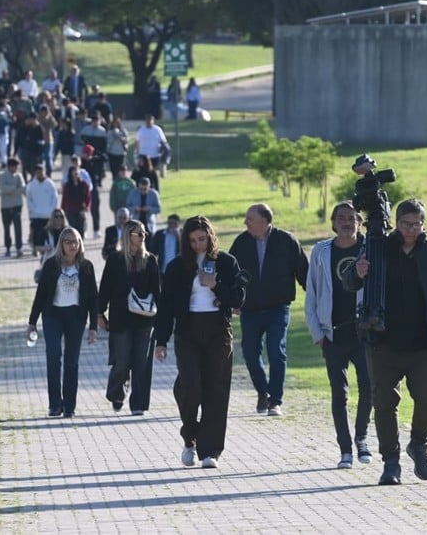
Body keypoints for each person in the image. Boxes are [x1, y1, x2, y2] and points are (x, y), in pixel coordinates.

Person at [343, 198, 427, 486]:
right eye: (405, 224)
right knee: (385, 403)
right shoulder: (378, 248)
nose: (410, 229)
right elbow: (350, 283)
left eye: (416, 224)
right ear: (395, 223)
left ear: (424, 224)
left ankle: (419, 444)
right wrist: (357, 272)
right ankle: (391, 462)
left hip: (421, 345)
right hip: (383, 342)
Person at [154, 216, 247, 469]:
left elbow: (238, 299)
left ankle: (210, 451)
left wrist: (215, 285)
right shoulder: (176, 267)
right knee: (190, 387)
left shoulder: (226, 263)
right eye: (193, 240)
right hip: (187, 331)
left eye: (202, 239)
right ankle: (189, 438)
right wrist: (160, 341)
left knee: (216, 390)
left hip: (218, 330)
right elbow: (165, 307)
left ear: (210, 237)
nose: (198, 245)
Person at [304, 201, 372, 469]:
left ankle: (362, 439)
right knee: (338, 393)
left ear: (359, 222)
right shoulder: (321, 252)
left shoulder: (371, 249)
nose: (346, 222)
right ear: (333, 223)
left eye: (352, 217)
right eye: (341, 218)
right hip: (333, 334)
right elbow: (312, 294)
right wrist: (318, 333)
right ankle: (345, 449)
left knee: (368, 388)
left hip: (364, 332)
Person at [229, 203, 308, 416]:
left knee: (276, 352)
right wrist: (232, 300)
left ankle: (275, 400)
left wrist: (317, 300)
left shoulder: (287, 241)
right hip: (250, 310)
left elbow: (304, 272)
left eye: (250, 219)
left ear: (264, 221)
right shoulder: (241, 242)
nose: (246, 222)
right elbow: (229, 274)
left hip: (278, 309)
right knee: (250, 354)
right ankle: (262, 391)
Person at [27, 227, 99, 418]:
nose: (72, 245)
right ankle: (54, 404)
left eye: (75, 241)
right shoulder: (51, 265)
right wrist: (32, 322)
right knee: (53, 356)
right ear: (61, 244)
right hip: (53, 316)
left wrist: (93, 327)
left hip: (75, 316)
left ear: (80, 244)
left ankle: (69, 405)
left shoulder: (86, 267)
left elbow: (93, 298)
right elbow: (41, 295)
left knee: (71, 361)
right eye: (67, 241)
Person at [98, 220, 161, 416]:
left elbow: (158, 291)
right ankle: (117, 393)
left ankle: (138, 404)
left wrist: (162, 319)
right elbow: (105, 288)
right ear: (128, 236)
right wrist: (99, 313)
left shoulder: (150, 260)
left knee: (141, 363)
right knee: (122, 361)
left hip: (144, 319)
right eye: (138, 234)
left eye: (144, 234)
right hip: (120, 318)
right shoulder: (115, 260)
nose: (143, 237)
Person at [26, 165, 58, 257]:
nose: (39, 174)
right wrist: (33, 210)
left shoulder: (50, 184)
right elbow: (29, 199)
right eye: (37, 172)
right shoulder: (31, 185)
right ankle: (35, 249)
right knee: (36, 233)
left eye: (41, 171)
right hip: (36, 215)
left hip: (48, 214)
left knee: (47, 233)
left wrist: (52, 210)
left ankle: (46, 249)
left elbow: (54, 198)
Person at [0, 157, 26, 258]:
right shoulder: (2, 176)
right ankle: (8, 247)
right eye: (15, 166)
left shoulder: (19, 176)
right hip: (5, 205)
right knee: (7, 228)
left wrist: (11, 190)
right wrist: (14, 188)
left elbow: (23, 188)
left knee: (18, 227)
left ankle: (19, 247)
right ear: (10, 166)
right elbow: (3, 188)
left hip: (17, 205)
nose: (16, 169)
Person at [125, 177, 161, 244]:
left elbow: (158, 209)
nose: (143, 191)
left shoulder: (154, 194)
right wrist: (135, 208)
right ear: (138, 186)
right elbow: (127, 207)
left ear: (149, 186)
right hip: (136, 223)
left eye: (145, 189)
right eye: (141, 189)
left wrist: (149, 208)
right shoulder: (132, 193)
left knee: (149, 245)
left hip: (149, 224)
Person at [61, 166, 91, 237]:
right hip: (70, 210)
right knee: (73, 228)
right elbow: (64, 199)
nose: (75, 173)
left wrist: (87, 206)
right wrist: (62, 209)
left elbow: (88, 197)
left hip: (80, 210)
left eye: (77, 172)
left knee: (81, 228)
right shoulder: (67, 185)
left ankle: (80, 243)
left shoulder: (84, 185)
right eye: (74, 172)